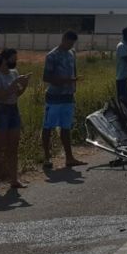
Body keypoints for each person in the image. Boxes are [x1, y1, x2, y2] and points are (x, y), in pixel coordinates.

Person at [0, 48, 30, 193]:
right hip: (0, 112)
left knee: (13, 148)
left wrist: (24, 84)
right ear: (5, 59)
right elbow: (0, 95)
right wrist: (15, 83)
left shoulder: (14, 73)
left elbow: (16, 94)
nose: (15, 61)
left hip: (13, 111)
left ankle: (14, 180)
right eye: (13, 59)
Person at [42, 31, 84, 170]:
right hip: (54, 97)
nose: (71, 45)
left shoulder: (72, 53)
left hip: (68, 96)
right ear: (64, 39)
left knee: (66, 127)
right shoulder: (52, 55)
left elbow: (74, 71)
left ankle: (69, 157)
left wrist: (73, 85)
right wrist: (66, 81)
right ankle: (47, 157)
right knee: (48, 127)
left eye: (73, 43)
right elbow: (46, 77)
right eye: (69, 42)